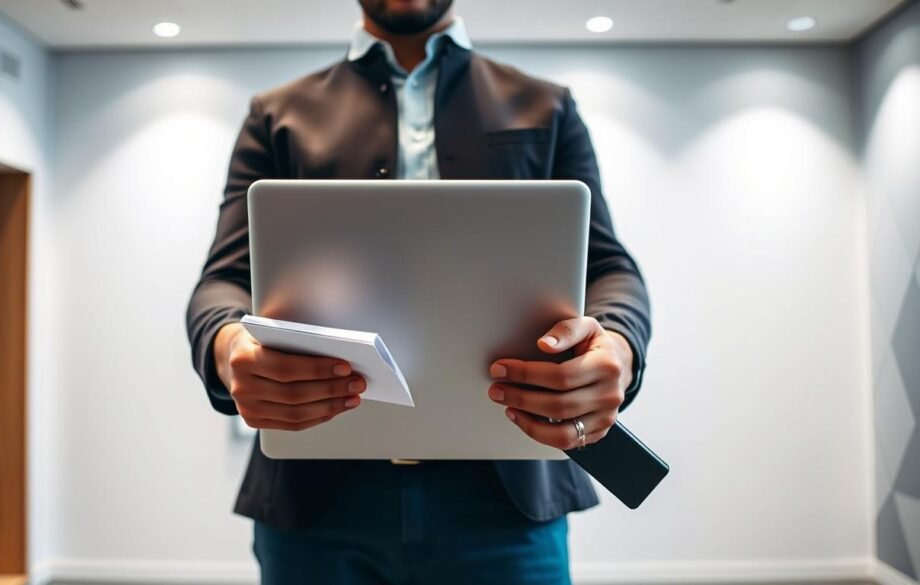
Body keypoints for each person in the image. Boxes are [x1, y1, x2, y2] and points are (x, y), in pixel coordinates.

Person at [186, 1, 651, 583]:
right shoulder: (274, 114)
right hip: (317, 499)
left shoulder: (548, 105)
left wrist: (618, 346)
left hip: (508, 497)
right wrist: (230, 350)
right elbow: (223, 281)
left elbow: (609, 268)